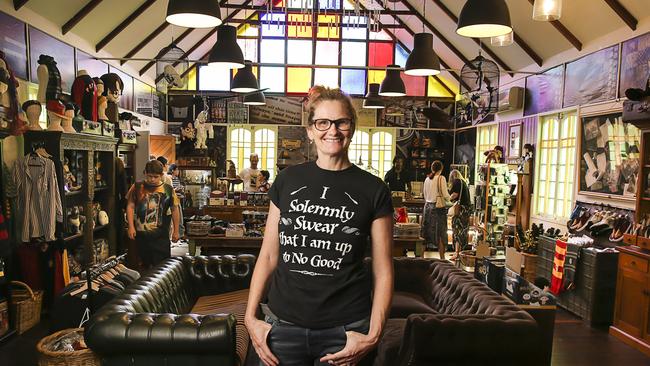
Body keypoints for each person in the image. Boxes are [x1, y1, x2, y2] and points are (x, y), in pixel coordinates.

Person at [245, 87, 394, 366]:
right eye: (322, 123)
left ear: (352, 126)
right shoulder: (287, 181)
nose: (333, 131)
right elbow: (267, 255)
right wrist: (250, 317)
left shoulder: (374, 189)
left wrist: (373, 334)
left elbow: (383, 269)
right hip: (282, 326)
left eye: (341, 122)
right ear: (311, 130)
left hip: (346, 330)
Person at [126, 160, 180, 269]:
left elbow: (175, 209)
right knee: (141, 267)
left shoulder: (168, 189)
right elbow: (130, 206)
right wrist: (130, 227)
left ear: (161, 175)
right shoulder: (137, 187)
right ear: (145, 173)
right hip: (141, 235)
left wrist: (176, 231)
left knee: (162, 268)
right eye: (150, 176)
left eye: (156, 176)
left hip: (161, 236)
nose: (152, 179)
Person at [422, 160, 450, 259]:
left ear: (432, 168)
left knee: (425, 232)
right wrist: (451, 199)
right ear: (441, 169)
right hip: (438, 208)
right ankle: (442, 257)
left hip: (427, 208)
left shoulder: (427, 179)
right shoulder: (441, 178)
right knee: (441, 232)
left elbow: (425, 195)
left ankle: (421, 256)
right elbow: (446, 194)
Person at [449, 169, 471, 260]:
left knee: (457, 230)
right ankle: (459, 252)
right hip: (466, 210)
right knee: (463, 231)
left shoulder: (457, 182)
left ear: (452, 177)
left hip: (460, 210)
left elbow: (455, 195)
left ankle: (457, 253)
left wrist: (447, 198)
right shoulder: (463, 183)